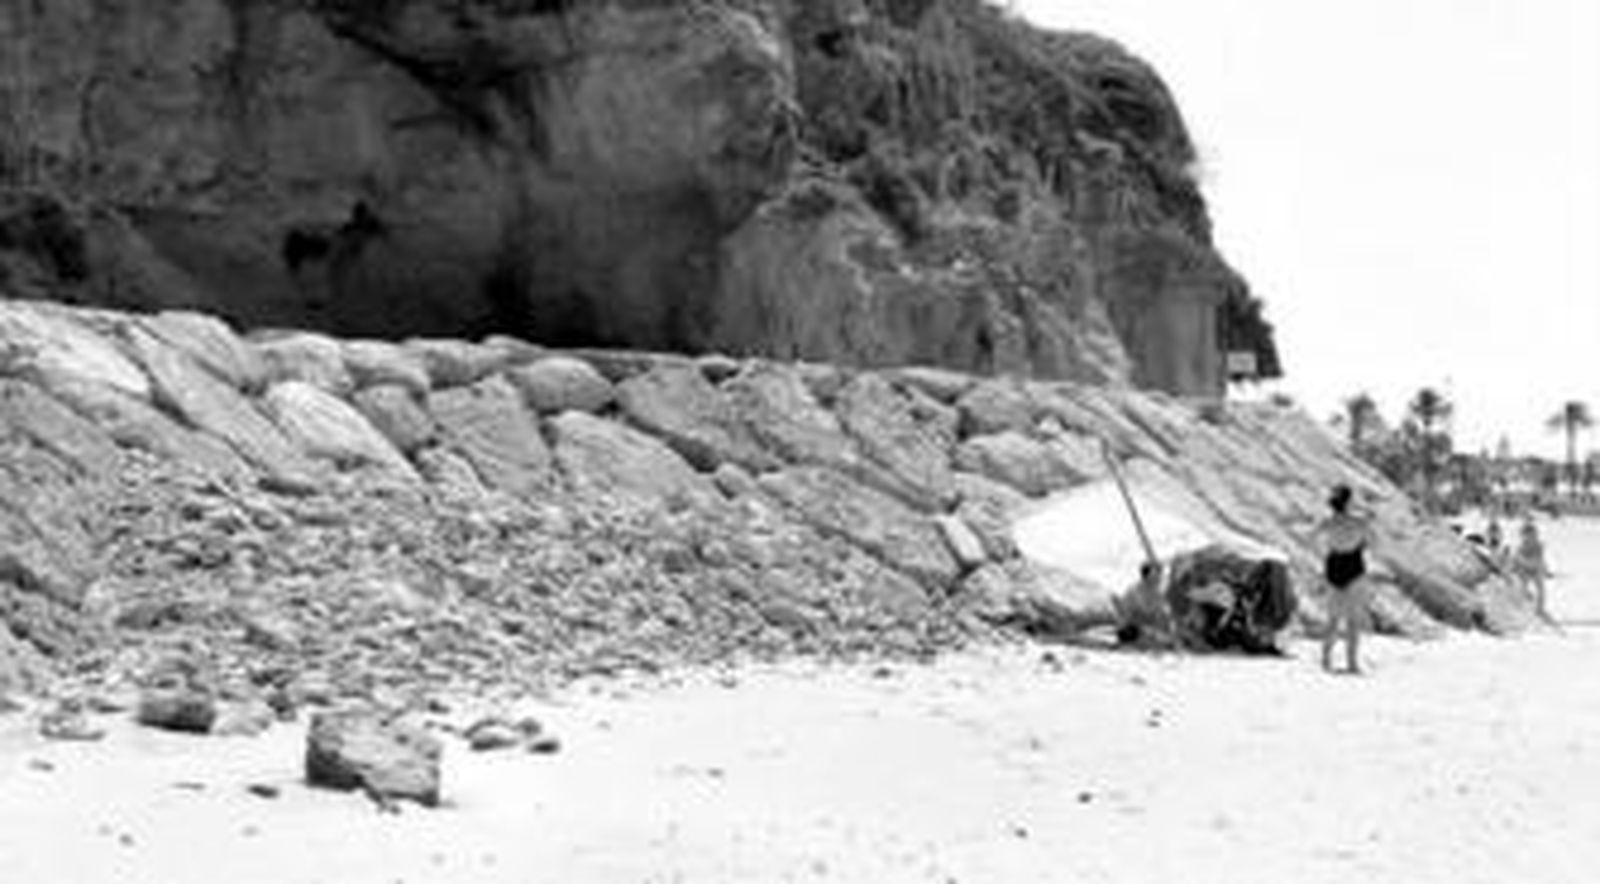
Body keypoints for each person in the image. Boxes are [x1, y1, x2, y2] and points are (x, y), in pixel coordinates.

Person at [1313, 484, 1375, 674]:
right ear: (1349, 501)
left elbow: (1311, 536)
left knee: (1332, 618)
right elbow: (1370, 542)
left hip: (1333, 564)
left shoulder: (1327, 521)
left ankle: (1325, 660)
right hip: (1354, 566)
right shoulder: (1360, 522)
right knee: (1353, 620)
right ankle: (1351, 663)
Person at [1512, 516, 1550, 619]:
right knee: (1522, 589)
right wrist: (1515, 567)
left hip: (1535, 570)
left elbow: (1540, 559)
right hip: (1526, 570)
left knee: (1540, 589)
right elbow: (1517, 558)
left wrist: (1545, 570)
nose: (1530, 537)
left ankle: (1539, 609)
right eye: (1527, 535)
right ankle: (1522, 606)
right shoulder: (1522, 546)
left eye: (1532, 535)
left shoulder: (1538, 545)